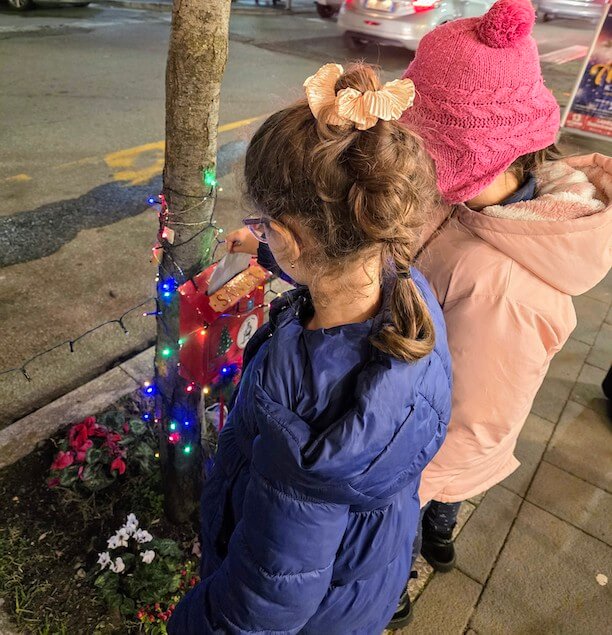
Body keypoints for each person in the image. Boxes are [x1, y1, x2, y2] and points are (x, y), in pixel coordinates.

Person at [168, 63, 452, 634]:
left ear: (295, 238)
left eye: (267, 227)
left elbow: (262, 604)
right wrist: (270, 247)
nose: (262, 234)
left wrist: (190, 623)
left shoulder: (295, 395)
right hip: (364, 577)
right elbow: (334, 254)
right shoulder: (409, 291)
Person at [396, 0, 612, 581]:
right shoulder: (460, 203)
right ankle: (436, 530)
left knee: (417, 525)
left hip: (428, 457)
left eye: (417, 147)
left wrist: (406, 481)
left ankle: (416, 560)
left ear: (461, 156)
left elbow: (473, 419)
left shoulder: (506, 289)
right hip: (419, 409)